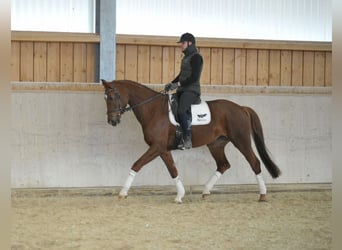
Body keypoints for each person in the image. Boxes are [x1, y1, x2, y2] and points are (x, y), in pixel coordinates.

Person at [165, 33, 203, 149]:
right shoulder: (186, 57)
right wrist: (172, 83)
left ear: (190, 43)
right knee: (171, 105)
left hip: (192, 90)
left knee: (181, 110)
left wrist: (178, 84)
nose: (181, 45)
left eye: (183, 43)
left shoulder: (196, 57)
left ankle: (187, 138)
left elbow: (194, 77)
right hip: (183, 89)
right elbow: (182, 75)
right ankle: (177, 134)